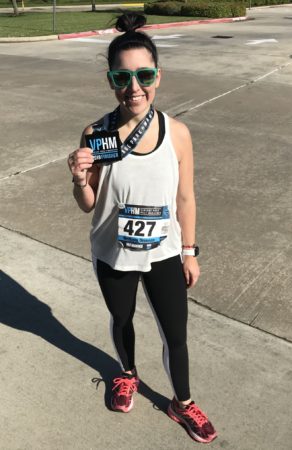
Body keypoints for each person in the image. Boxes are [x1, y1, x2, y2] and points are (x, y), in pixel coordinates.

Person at [67, 13, 217, 444]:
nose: (134, 87)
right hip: (113, 252)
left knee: (175, 332)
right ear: (111, 80)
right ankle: (127, 374)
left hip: (165, 252)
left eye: (144, 74)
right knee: (122, 317)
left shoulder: (178, 134)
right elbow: (88, 204)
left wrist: (190, 250)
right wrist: (80, 180)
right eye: (122, 76)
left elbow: (185, 198)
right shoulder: (98, 133)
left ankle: (182, 402)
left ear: (158, 76)